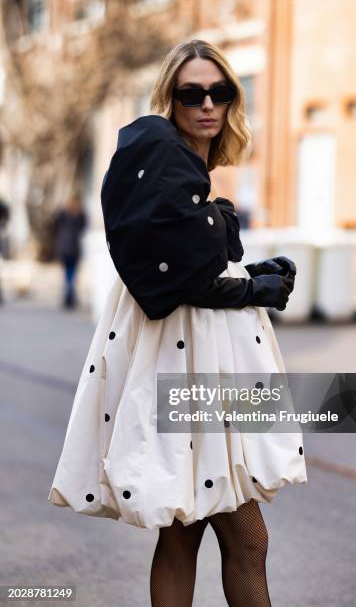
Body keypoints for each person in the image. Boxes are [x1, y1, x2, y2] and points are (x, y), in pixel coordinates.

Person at [48, 39, 307, 606]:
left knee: (183, 533)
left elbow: (190, 258)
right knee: (246, 542)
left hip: (194, 365)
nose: (207, 104)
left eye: (220, 92)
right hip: (192, 365)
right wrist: (252, 285)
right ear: (172, 99)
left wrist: (240, 264)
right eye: (192, 93)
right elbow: (184, 281)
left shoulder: (169, 163)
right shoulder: (166, 161)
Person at [52, 194, 87, 309]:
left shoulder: (63, 214)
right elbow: (84, 227)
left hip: (64, 247)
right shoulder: (80, 215)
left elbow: (55, 226)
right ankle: (70, 295)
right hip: (73, 248)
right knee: (71, 273)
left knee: (67, 274)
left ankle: (68, 295)